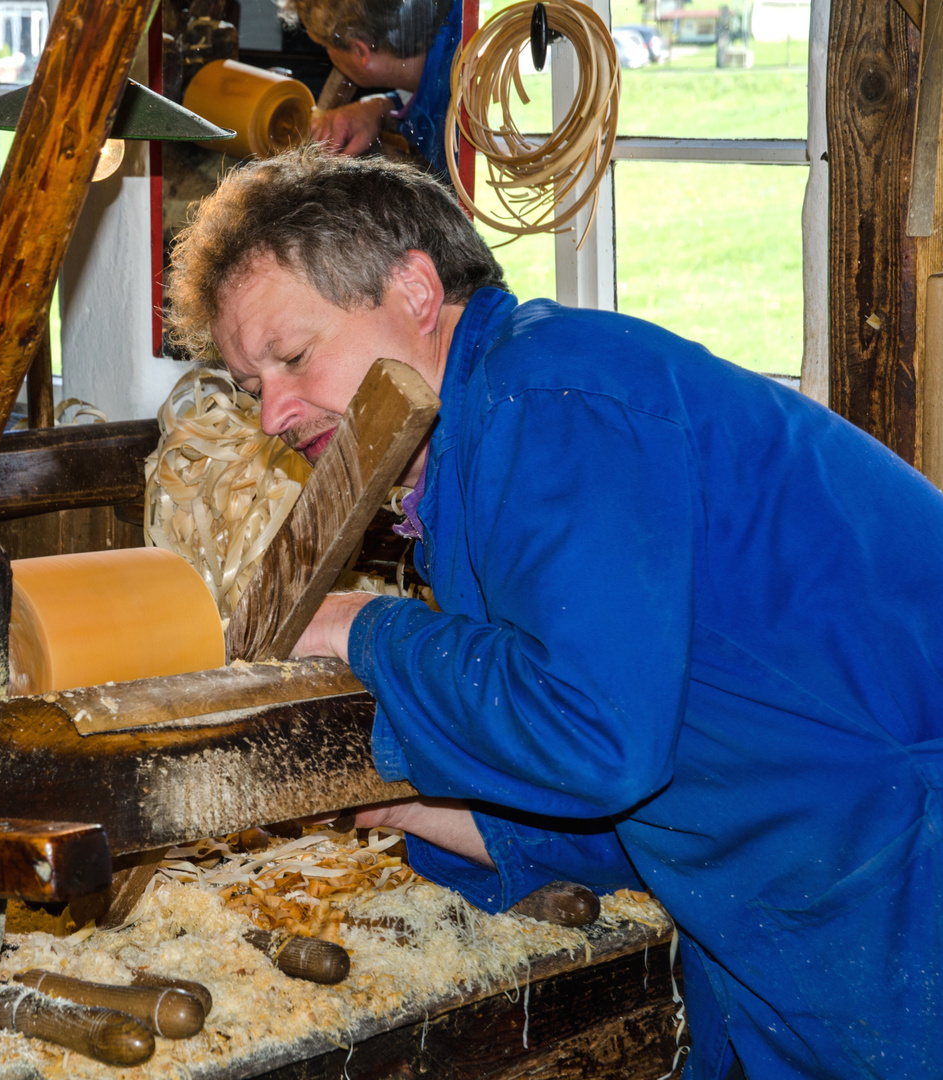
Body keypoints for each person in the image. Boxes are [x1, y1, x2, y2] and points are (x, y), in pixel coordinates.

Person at [166, 146, 943, 1080]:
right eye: (254, 388)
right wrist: (477, 826)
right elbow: (679, 752)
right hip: (808, 873)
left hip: (898, 868)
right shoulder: (478, 446)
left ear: (414, 291)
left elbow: (599, 738)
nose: (272, 416)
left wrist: (365, 629)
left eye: (293, 357)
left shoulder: (550, 397)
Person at [279, 0, 460, 176]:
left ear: (361, 52)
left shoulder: (453, 131)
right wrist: (381, 107)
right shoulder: (455, 21)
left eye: (326, 47)